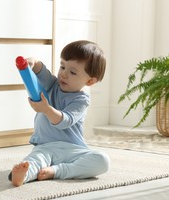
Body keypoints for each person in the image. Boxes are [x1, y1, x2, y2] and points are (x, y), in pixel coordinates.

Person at [10, 40, 110, 187]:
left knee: (102, 160)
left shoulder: (81, 100)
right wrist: (33, 62)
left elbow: (65, 121)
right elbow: (40, 70)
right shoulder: (52, 84)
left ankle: (57, 171)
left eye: (73, 72)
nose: (63, 74)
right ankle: (23, 175)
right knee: (35, 160)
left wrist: (46, 109)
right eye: (62, 66)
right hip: (45, 147)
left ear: (90, 81)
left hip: (73, 150)